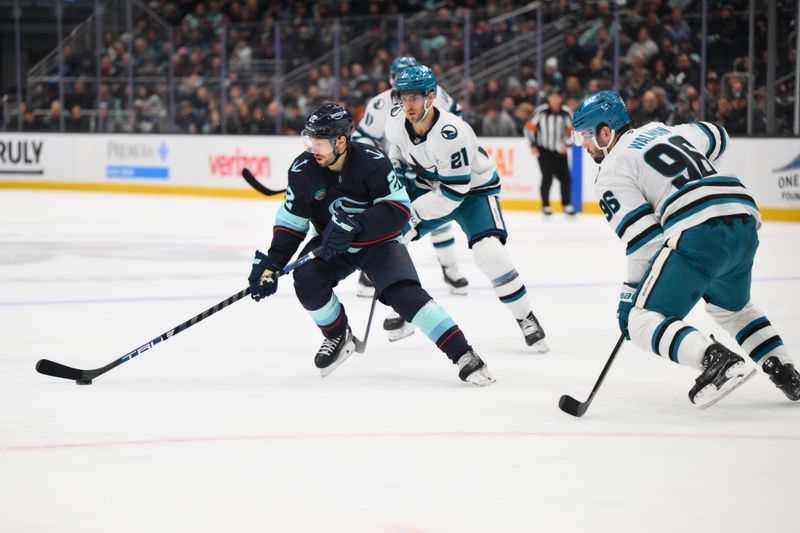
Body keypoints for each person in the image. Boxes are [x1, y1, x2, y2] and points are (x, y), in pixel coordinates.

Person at [571, 90, 800, 407]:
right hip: (743, 218)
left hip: (699, 229)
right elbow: (718, 135)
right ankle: (786, 371)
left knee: (639, 320)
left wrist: (632, 296)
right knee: (733, 309)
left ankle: (714, 360)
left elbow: (645, 243)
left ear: (604, 132)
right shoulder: (662, 130)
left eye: (584, 135)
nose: (582, 144)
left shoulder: (610, 171)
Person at [247, 103, 494, 386]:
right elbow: (291, 223)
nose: (312, 147)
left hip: (378, 241)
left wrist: (357, 226)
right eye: (309, 139)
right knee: (307, 281)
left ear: (340, 141)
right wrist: (273, 263)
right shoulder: (303, 170)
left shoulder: (372, 161)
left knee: (405, 296)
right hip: (331, 244)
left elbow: (399, 211)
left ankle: (464, 354)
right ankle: (338, 335)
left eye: (319, 141)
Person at [385, 66, 549, 352]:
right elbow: (396, 150)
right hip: (432, 185)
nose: (407, 105)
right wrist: (397, 172)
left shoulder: (453, 134)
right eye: (403, 97)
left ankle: (526, 317)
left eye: (414, 98)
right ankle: (404, 306)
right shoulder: (396, 121)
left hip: (473, 191)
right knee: (388, 241)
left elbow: (452, 195)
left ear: (431, 97)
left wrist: (411, 213)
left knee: (490, 253)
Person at [352, 56, 469, 300]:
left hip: (427, 170)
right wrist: (373, 164)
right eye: (398, 76)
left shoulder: (434, 95)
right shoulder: (379, 104)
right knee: (381, 222)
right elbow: (363, 137)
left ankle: (449, 269)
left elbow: (456, 120)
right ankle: (370, 271)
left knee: (439, 216)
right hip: (390, 172)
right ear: (392, 79)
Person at [525, 87, 575, 216]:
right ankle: (546, 205)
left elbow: (573, 132)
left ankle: (566, 205)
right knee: (547, 178)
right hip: (544, 151)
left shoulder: (566, 112)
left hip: (560, 151)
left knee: (565, 179)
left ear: (561, 98)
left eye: (557, 96)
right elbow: (529, 128)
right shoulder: (541, 112)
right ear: (548, 98)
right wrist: (533, 145)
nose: (554, 99)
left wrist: (566, 144)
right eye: (552, 97)